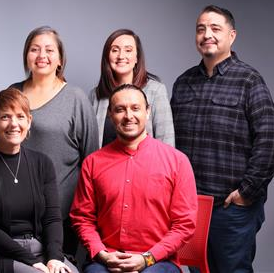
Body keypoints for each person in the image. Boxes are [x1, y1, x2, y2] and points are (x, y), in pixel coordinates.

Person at [171, 5, 274, 273]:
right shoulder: (183, 83)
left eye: (215, 28)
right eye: (201, 29)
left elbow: (270, 138)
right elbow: (168, 144)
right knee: (196, 270)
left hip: (230, 209)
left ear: (232, 35)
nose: (207, 34)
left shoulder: (249, 80)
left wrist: (247, 191)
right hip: (191, 208)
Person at [70, 84, 198, 273]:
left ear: (147, 112)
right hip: (106, 260)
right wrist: (102, 254)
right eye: (120, 109)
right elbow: (82, 218)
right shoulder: (93, 163)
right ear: (110, 116)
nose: (128, 116)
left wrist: (147, 259)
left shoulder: (177, 161)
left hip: (158, 261)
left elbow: (184, 224)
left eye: (135, 108)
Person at [0, 88, 79, 273]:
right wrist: (30, 261)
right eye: (5, 117)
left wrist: (55, 258)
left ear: (29, 121)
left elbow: (52, 219)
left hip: (42, 249)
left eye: (20, 116)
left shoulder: (42, 163)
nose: (13, 124)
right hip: (1, 254)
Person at [11, 26, 99, 256]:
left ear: (60, 59)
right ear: (26, 56)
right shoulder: (13, 95)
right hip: (15, 209)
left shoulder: (75, 99)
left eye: (49, 50)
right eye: (34, 49)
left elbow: (91, 160)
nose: (42, 56)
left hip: (61, 213)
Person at [90, 29, 174, 147]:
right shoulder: (96, 95)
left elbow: (166, 141)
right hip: (104, 164)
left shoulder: (156, 91)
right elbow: (90, 144)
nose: (121, 56)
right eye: (115, 50)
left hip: (145, 165)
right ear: (107, 57)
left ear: (136, 58)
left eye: (128, 50)